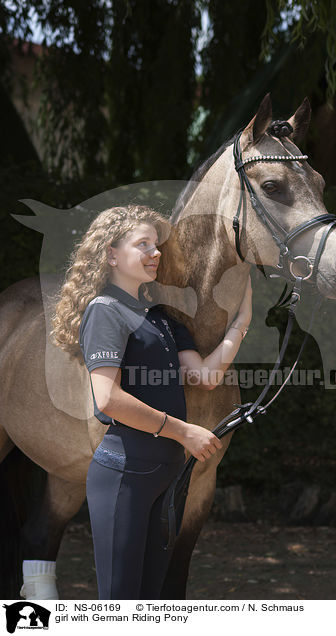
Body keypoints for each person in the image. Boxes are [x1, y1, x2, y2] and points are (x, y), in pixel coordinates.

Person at [51, 204, 252, 600]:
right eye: (142, 244)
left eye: (156, 245)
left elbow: (206, 377)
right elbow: (107, 399)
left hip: (166, 476)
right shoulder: (104, 312)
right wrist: (185, 431)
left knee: (151, 600)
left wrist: (242, 321)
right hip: (125, 473)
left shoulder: (162, 318)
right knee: (121, 603)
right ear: (110, 254)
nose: (155, 252)